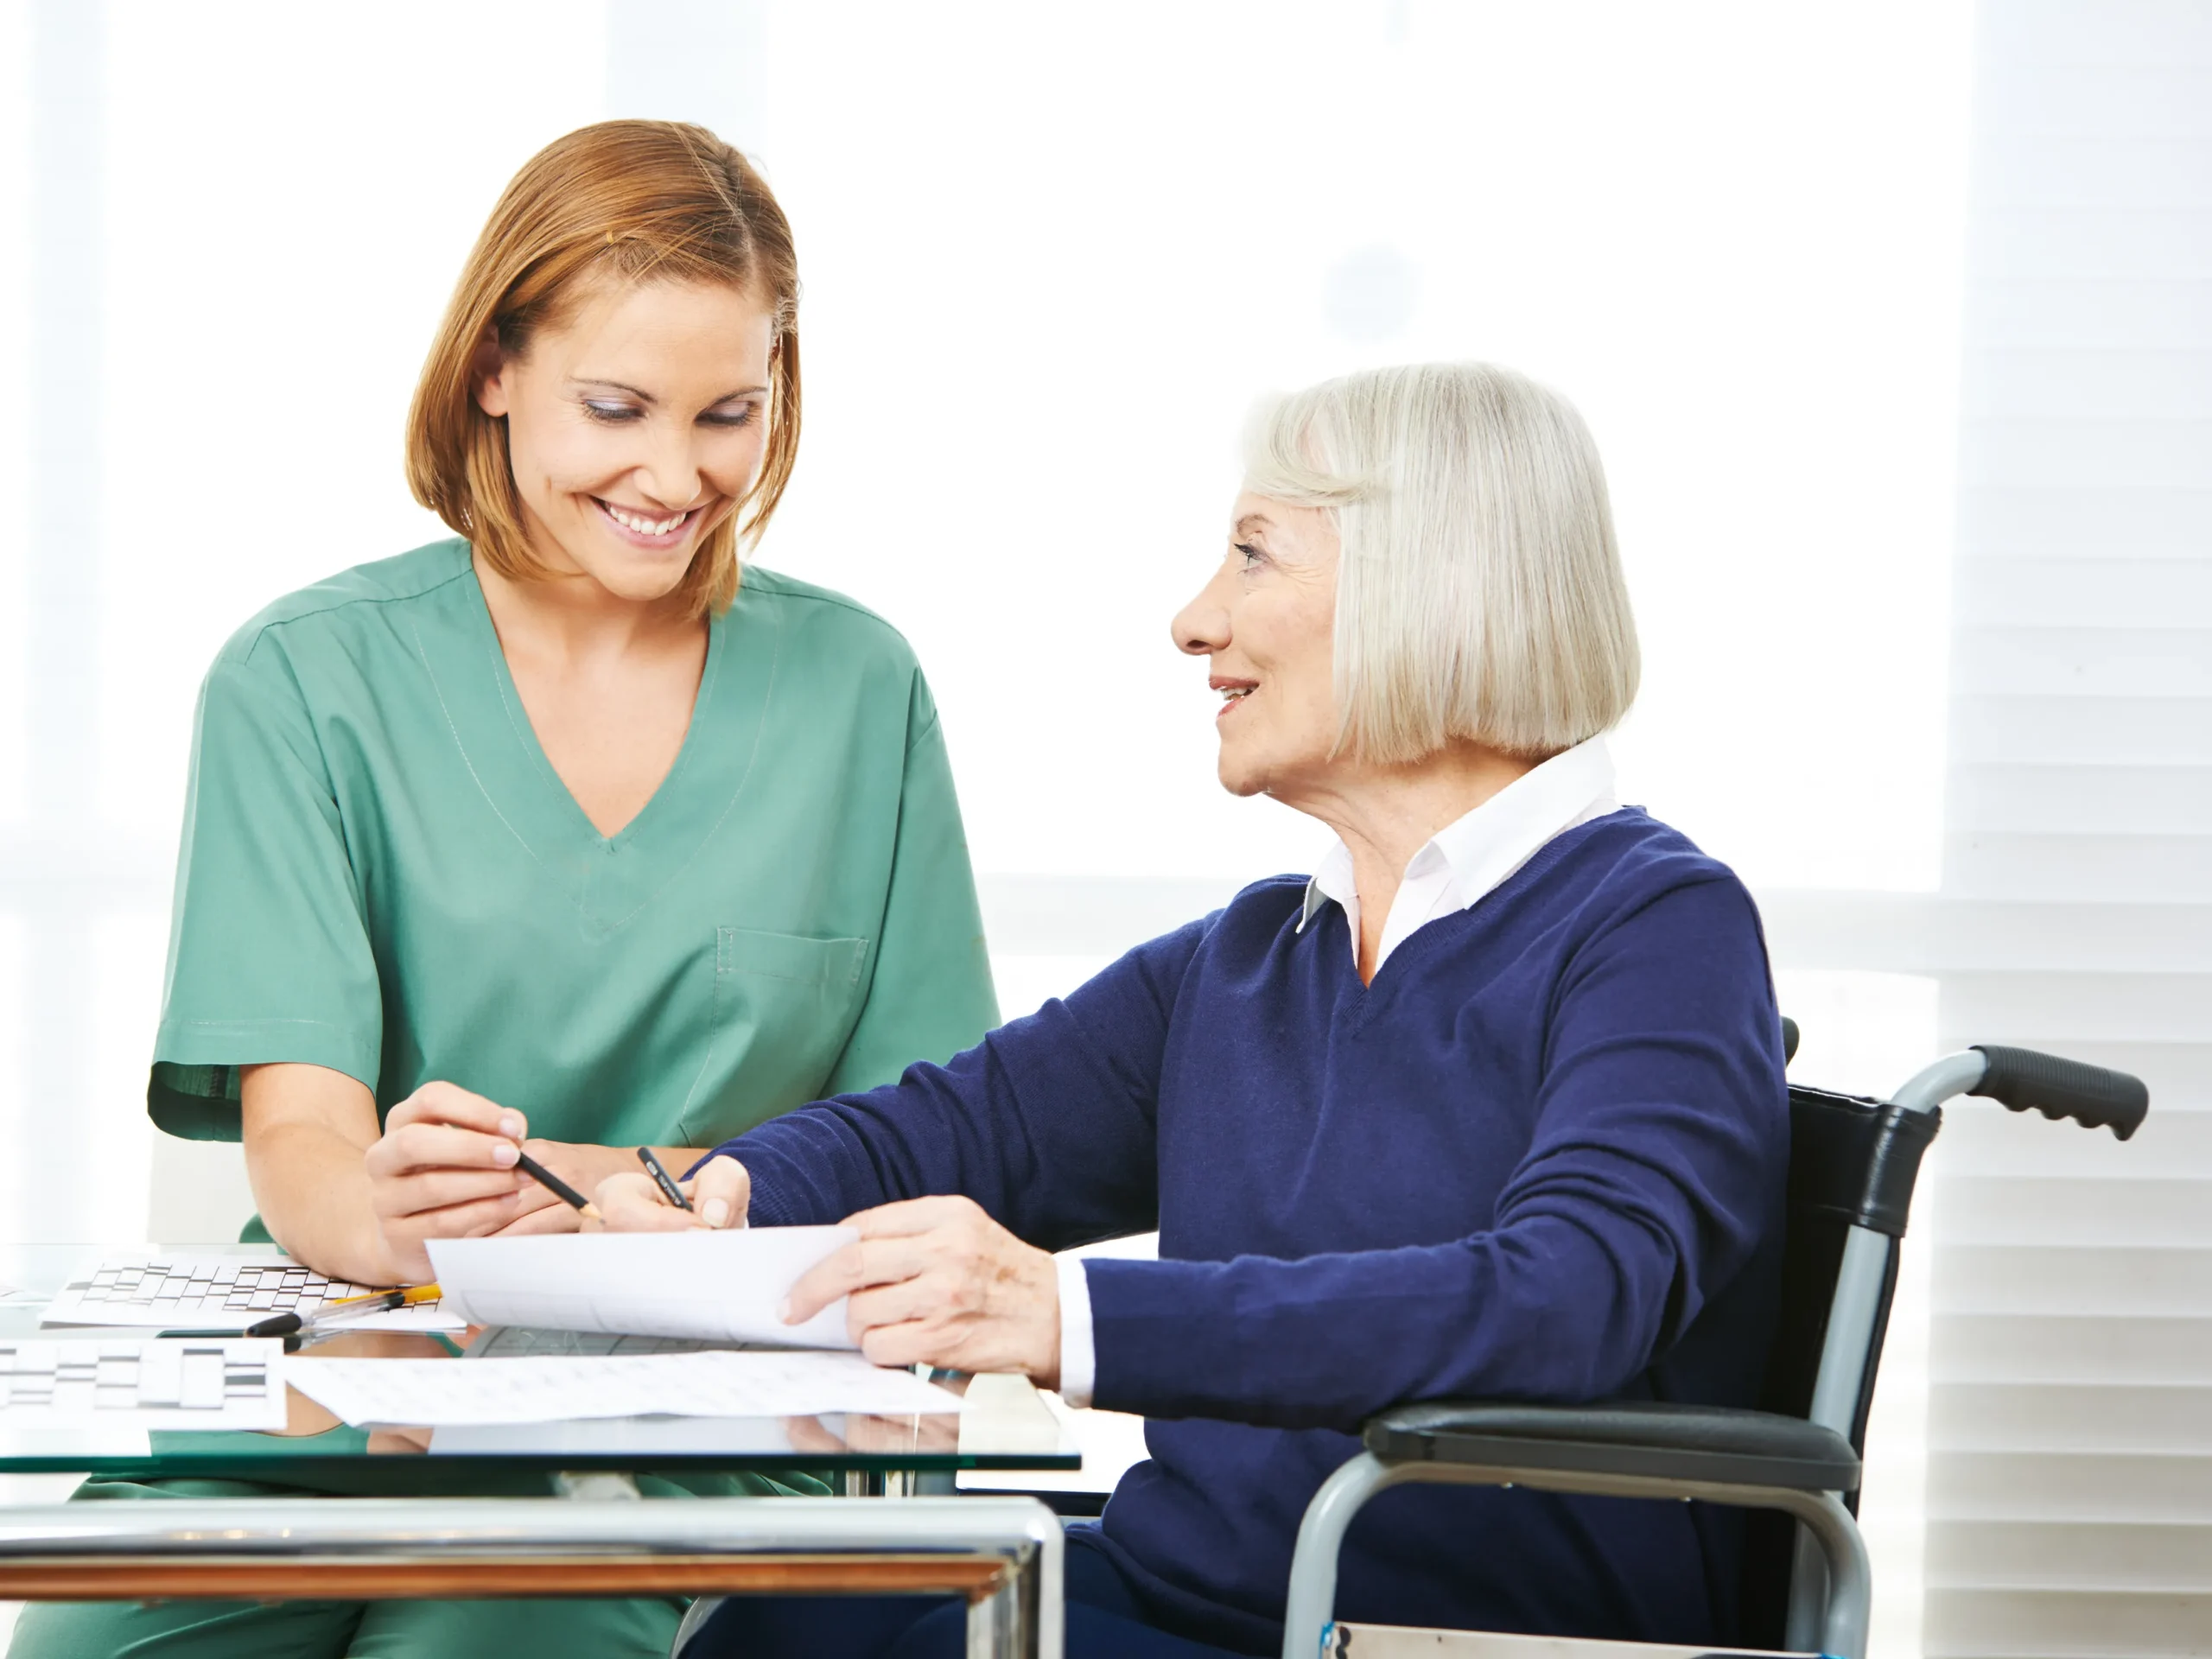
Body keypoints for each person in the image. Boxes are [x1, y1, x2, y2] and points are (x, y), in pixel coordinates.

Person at [597, 362, 1792, 1658]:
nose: (1193, 620)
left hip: (1437, 1633)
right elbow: (947, 1134)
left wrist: (1071, 1317)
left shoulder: (1655, 925)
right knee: (765, 1635)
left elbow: (1565, 1295)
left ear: (1423, 580)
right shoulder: (1253, 955)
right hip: (1202, 1595)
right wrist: (724, 1193)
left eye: (1253, 556)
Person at [12, 120, 996, 1659]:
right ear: (493, 369)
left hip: (702, 1388)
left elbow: (928, 1158)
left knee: (481, 1625)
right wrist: (405, 1220)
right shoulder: (306, 680)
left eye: (729, 414)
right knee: (92, 1637)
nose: (677, 476)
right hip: (351, 1364)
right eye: (616, 407)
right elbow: (307, 1144)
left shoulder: (859, 690)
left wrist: (596, 1207)